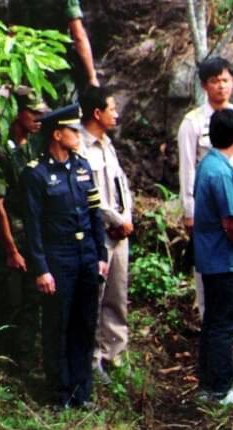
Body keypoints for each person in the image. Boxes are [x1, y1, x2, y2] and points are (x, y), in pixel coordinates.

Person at [21, 104, 108, 408]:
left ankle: (81, 393)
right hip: (58, 258)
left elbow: (94, 214)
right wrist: (41, 268)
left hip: (85, 256)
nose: (78, 135)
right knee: (57, 326)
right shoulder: (36, 174)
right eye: (73, 131)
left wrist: (101, 253)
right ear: (57, 134)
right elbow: (32, 228)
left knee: (84, 324)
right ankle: (58, 394)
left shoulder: (81, 167)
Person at [0, 87, 50, 369]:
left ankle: (24, 358)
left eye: (40, 113)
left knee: (32, 297)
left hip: (31, 232)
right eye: (32, 113)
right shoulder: (0, 150)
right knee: (4, 297)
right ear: (18, 113)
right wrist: (10, 249)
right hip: (9, 235)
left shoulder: (34, 144)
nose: (37, 119)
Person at [177, 57, 233, 318]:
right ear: (204, 85)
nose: (221, 86)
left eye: (225, 80)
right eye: (215, 81)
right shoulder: (192, 122)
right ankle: (208, 318)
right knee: (209, 264)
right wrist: (189, 211)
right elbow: (187, 168)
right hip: (208, 205)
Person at [193, 108, 233, 405]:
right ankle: (220, 388)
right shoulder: (222, 171)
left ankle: (209, 384)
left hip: (214, 257)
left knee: (214, 322)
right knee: (224, 324)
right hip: (224, 258)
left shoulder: (208, 164)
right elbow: (231, 223)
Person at [80, 85, 133, 379]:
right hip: (98, 232)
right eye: (112, 108)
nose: (117, 114)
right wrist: (114, 218)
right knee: (95, 296)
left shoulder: (107, 143)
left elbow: (121, 184)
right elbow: (92, 193)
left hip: (119, 232)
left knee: (117, 292)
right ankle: (92, 359)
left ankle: (115, 354)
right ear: (97, 113)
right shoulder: (82, 146)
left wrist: (127, 217)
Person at [5, 0, 100, 94]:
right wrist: (92, 76)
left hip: (28, 72)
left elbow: (12, 35)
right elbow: (79, 36)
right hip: (59, 72)